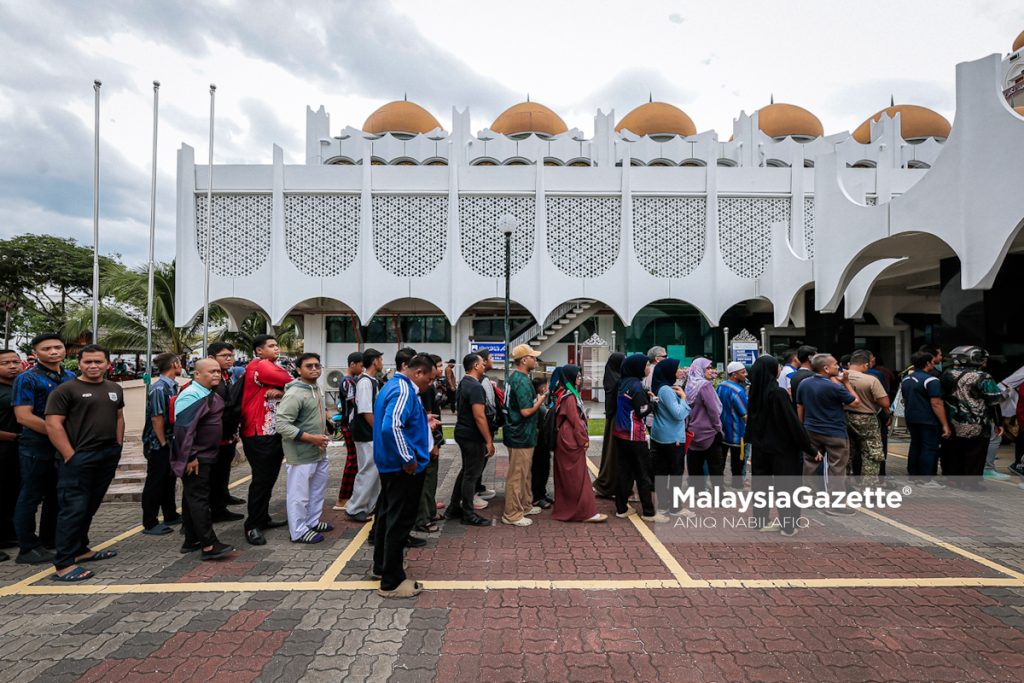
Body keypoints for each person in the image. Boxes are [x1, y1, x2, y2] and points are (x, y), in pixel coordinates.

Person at [44, 344, 125, 581]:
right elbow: (53, 424)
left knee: (89, 507)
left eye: (98, 362)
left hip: (107, 455)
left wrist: (117, 446)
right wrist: (70, 454)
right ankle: (64, 564)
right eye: (88, 362)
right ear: (79, 363)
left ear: (108, 364)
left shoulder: (114, 388)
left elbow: (118, 417)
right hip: (79, 458)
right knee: (73, 509)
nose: (93, 366)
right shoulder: (65, 390)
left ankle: (80, 550)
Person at [371, 353, 435, 598]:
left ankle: (383, 566)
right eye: (428, 380)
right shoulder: (403, 390)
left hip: (391, 466)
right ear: (417, 373)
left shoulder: (394, 386)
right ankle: (392, 582)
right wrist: (408, 458)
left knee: (388, 517)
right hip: (401, 468)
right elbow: (391, 426)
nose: (429, 385)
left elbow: (397, 422)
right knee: (399, 522)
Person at [12, 333, 74, 565]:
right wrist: (57, 432)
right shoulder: (27, 379)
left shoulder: (69, 376)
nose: (54, 352)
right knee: (30, 496)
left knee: (56, 495)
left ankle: (51, 540)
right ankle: (27, 547)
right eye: (46, 349)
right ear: (35, 353)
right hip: (36, 446)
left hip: (62, 446)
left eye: (57, 347)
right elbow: (23, 416)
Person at [172, 358, 235, 560]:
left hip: (207, 454)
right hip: (197, 457)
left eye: (218, 371)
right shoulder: (191, 395)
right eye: (211, 371)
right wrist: (190, 456)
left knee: (194, 499)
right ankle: (208, 545)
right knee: (199, 500)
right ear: (197, 374)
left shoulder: (209, 393)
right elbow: (183, 430)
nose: (216, 374)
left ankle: (191, 540)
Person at [746, 355, 814, 535]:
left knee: (760, 485)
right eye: (777, 367)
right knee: (788, 486)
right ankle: (789, 525)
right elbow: (792, 423)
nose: (779, 370)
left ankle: (760, 520)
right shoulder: (778, 393)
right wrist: (809, 448)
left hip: (760, 447)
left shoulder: (754, 392)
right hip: (783, 448)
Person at [239, 334, 294, 545]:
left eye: (277, 345)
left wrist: (280, 392)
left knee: (268, 479)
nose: (276, 349)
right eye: (271, 346)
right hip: (258, 433)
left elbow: (286, 385)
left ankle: (262, 518)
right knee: (262, 481)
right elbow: (291, 380)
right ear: (259, 350)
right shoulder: (260, 365)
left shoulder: (265, 366)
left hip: (269, 432)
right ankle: (252, 525)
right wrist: (283, 388)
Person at [276, 353, 333, 544]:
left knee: (317, 490)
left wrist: (327, 421)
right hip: (301, 453)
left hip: (319, 451)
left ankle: (312, 521)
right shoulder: (294, 393)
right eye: (309, 366)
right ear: (299, 370)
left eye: (317, 365)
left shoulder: (316, 388)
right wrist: (311, 438)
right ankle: (298, 531)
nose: (315, 369)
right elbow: (282, 425)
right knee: (298, 495)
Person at [796, 354, 861, 505]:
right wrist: (846, 383)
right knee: (837, 468)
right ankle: (836, 502)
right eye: (835, 364)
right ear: (826, 368)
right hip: (835, 432)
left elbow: (800, 406)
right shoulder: (835, 387)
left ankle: (809, 498)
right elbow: (856, 402)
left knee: (810, 464)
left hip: (811, 430)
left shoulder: (804, 383)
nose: (838, 367)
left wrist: (802, 427)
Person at [612, 354, 666, 523]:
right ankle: (649, 512)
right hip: (635, 435)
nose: (648, 368)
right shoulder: (636, 386)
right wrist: (653, 402)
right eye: (646, 365)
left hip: (620, 433)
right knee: (643, 473)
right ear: (638, 367)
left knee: (624, 471)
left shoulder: (623, 383)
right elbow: (641, 411)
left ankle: (621, 507)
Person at [551, 365, 606, 523]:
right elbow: (575, 420)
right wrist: (584, 439)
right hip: (571, 439)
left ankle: (570, 509)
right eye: (578, 376)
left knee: (570, 477)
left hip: (566, 437)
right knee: (577, 477)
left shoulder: (567, 392)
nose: (580, 379)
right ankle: (584, 512)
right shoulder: (570, 396)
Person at [939, 346, 1003, 483]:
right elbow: (994, 401)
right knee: (975, 455)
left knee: (953, 452)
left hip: (952, 422)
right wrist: (999, 423)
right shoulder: (983, 377)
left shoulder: (947, 374)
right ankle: (971, 484)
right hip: (977, 425)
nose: (985, 361)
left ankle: (952, 480)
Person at [502, 344, 547, 527]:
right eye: (532, 357)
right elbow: (526, 411)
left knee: (525, 473)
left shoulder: (518, 378)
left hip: (522, 434)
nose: (535, 360)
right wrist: (540, 401)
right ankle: (512, 513)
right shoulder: (520, 380)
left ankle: (525, 505)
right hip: (520, 434)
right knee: (517, 475)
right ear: (524, 360)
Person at [446, 353, 493, 525]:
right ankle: (468, 513)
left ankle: (453, 507)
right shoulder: (475, 386)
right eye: (482, 363)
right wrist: (488, 440)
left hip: (463, 432)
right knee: (472, 474)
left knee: (466, 471)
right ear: (475, 366)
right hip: (472, 435)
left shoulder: (464, 383)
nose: (484, 365)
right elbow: (479, 416)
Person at [140, 352, 183, 535]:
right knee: (155, 481)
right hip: (158, 443)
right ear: (174, 364)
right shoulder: (159, 388)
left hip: (169, 440)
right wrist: (164, 443)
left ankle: (170, 514)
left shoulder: (172, 386)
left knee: (168, 479)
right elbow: (157, 419)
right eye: (180, 362)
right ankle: (149, 522)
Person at [207, 342, 245, 522]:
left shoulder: (227, 377)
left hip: (228, 435)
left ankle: (222, 500)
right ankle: (216, 510)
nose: (229, 359)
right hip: (214, 438)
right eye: (224, 356)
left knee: (222, 474)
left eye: (231, 355)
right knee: (212, 477)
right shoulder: (209, 381)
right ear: (212, 358)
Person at [901, 351, 951, 484]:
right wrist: (945, 425)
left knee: (915, 445)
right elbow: (936, 403)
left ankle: (913, 475)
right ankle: (926, 479)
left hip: (911, 417)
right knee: (929, 448)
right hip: (928, 419)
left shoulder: (906, 379)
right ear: (928, 363)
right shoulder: (931, 380)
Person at [345, 348, 383, 523]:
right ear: (375, 361)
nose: (382, 363)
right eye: (380, 359)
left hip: (369, 433)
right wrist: (378, 432)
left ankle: (368, 505)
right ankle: (356, 507)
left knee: (373, 470)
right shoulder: (365, 382)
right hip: (366, 434)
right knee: (367, 470)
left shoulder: (370, 381)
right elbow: (366, 411)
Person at [650, 358, 690, 516]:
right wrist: (684, 398)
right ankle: (675, 507)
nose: (680, 371)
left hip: (660, 434)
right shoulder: (666, 390)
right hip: (672, 437)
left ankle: (663, 505)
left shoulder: (659, 386)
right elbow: (678, 414)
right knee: (675, 473)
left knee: (661, 472)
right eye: (678, 368)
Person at [844, 350, 891, 487]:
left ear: (849, 363)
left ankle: (844, 486)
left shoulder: (837, 378)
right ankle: (868, 487)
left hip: (844, 418)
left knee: (846, 453)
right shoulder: (870, 380)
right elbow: (885, 403)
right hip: (866, 418)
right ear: (865, 365)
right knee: (872, 454)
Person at [414, 355, 445, 534]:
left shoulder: (429, 386)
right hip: (428, 443)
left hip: (431, 440)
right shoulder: (426, 389)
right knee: (427, 482)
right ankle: (423, 518)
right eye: (438, 366)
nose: (440, 369)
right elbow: (428, 418)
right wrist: (434, 444)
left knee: (431, 482)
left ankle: (431, 512)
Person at [685, 358, 725, 492]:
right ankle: (718, 494)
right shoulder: (705, 385)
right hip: (709, 431)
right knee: (715, 466)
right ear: (700, 369)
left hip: (693, 431)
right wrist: (719, 428)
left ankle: (697, 491)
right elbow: (713, 410)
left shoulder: (690, 384)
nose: (711, 371)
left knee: (695, 464)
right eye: (707, 368)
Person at [333, 351, 364, 510]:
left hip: (350, 424)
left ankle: (348, 496)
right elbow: (354, 401)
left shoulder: (353, 380)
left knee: (355, 461)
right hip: (349, 424)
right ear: (352, 364)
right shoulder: (348, 381)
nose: (362, 368)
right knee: (352, 461)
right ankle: (342, 499)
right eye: (361, 365)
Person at [0, 349, 22, 562]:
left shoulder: (20, 387)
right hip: (5, 446)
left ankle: (7, 535)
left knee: (11, 495)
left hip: (17, 452)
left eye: (16, 361)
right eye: (5, 363)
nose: (12, 366)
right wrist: (13, 436)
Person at [593, 352, 625, 499]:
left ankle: (607, 483)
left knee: (611, 452)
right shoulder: (619, 381)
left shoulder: (611, 377)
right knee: (614, 453)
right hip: (616, 419)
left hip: (611, 418)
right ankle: (610, 484)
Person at [718, 362, 749, 488]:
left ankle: (718, 484)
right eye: (742, 372)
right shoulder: (738, 391)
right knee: (738, 461)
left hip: (723, 430)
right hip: (737, 432)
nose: (745, 374)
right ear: (734, 375)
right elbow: (744, 414)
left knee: (721, 460)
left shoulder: (720, 386)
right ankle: (737, 485)